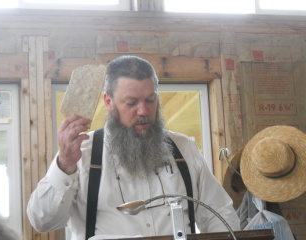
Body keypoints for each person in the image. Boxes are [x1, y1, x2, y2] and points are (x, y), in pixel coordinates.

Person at [27, 55, 240, 240]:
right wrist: (64, 165)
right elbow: (42, 221)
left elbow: (220, 215)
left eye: (150, 100)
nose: (143, 111)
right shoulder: (80, 153)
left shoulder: (184, 149)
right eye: (131, 103)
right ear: (108, 102)